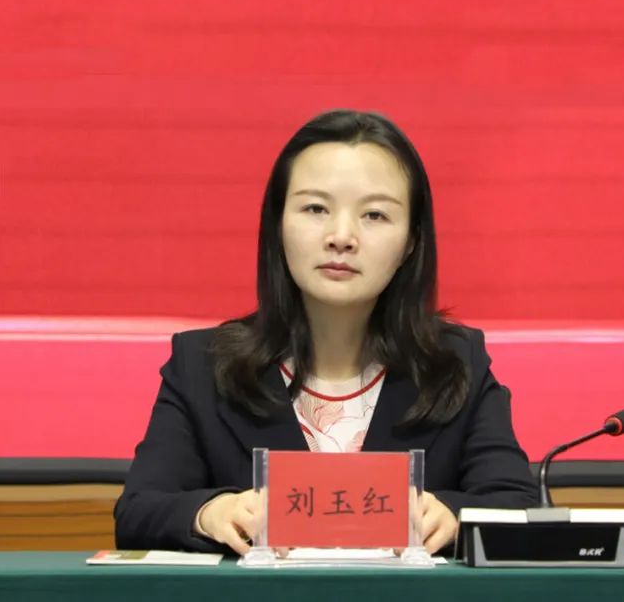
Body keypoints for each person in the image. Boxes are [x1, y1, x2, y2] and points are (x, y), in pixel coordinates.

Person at [114, 109, 538, 555]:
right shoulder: (203, 366)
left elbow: (517, 508)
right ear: (278, 225)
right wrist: (209, 513)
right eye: (316, 208)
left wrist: (452, 518)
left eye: (374, 215)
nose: (341, 236)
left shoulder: (456, 363)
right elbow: (139, 512)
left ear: (411, 242)